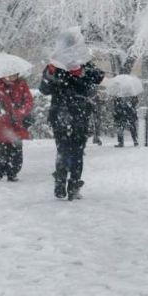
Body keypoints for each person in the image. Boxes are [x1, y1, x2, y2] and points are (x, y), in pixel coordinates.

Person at [39, 28, 105, 201]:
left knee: (66, 149)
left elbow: (98, 77)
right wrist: (52, 74)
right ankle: (69, 184)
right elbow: (44, 89)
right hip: (73, 112)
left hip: (70, 112)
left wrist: (80, 73)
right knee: (74, 150)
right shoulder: (56, 65)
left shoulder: (81, 63)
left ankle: (65, 183)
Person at [0, 72, 34, 181]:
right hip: (1, 122)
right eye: (9, 75)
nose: (11, 77)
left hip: (16, 122)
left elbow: (28, 101)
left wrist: (20, 112)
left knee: (16, 148)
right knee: (0, 148)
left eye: (14, 75)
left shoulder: (21, 85)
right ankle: (0, 169)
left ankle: (13, 172)